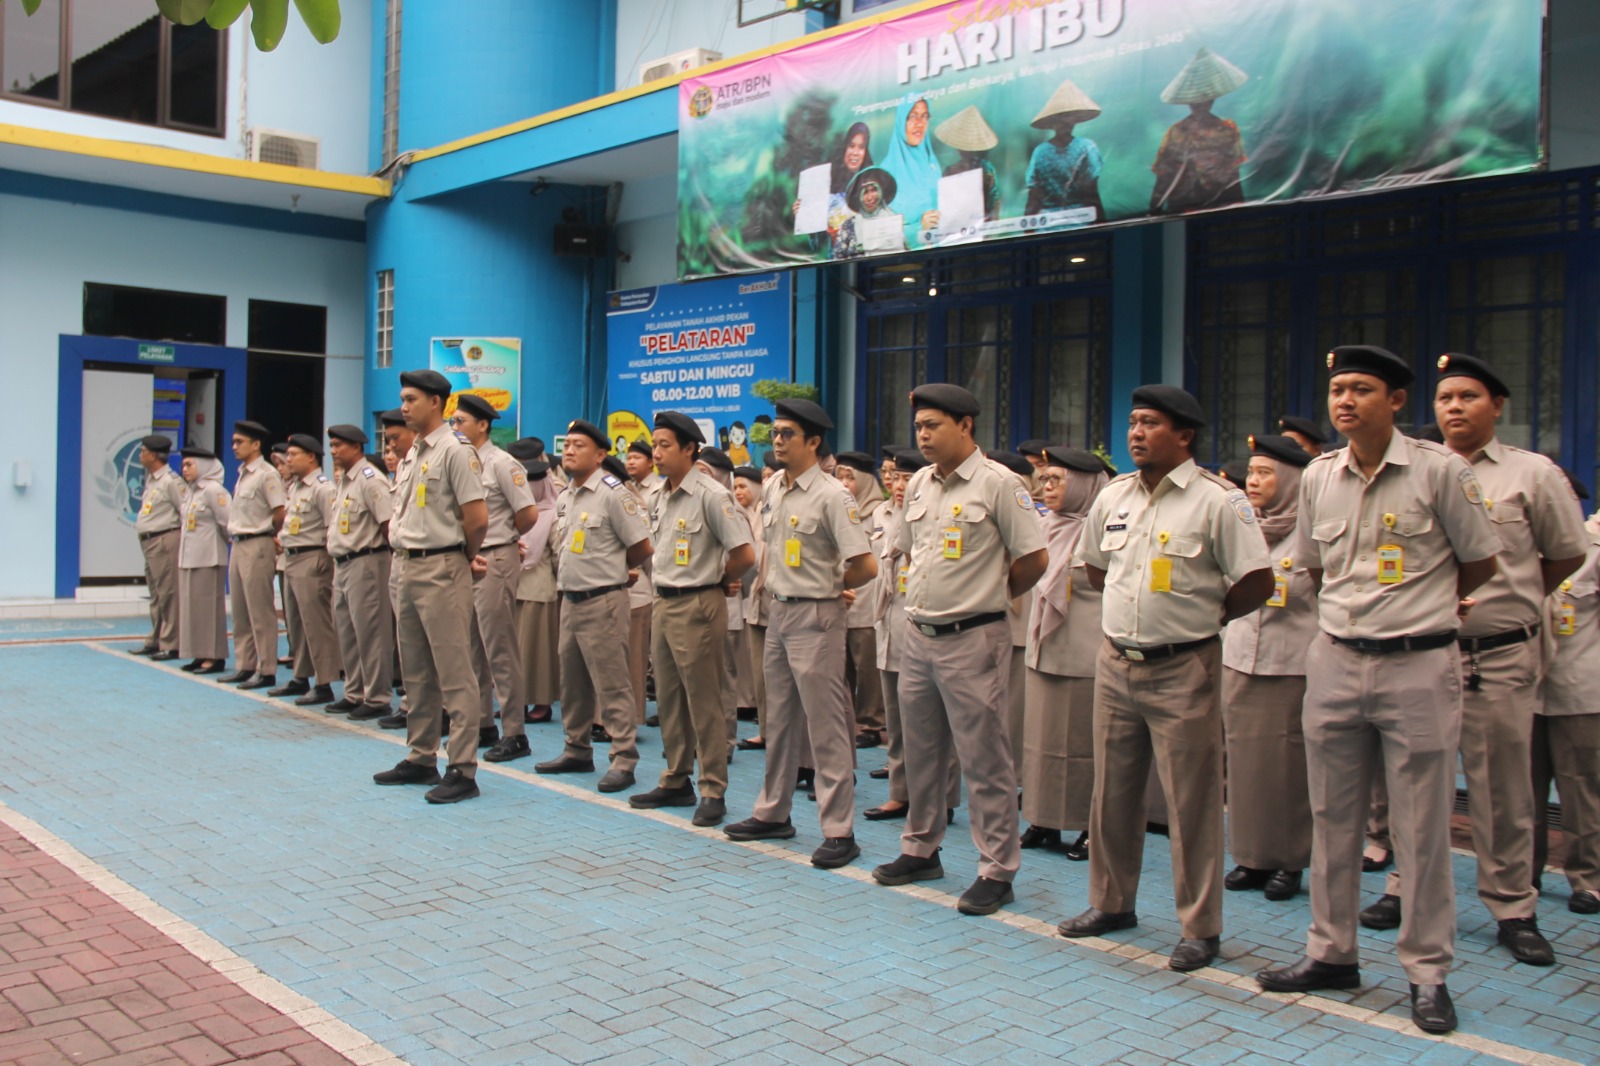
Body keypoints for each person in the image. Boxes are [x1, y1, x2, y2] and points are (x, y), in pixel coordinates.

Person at [1256, 345, 1501, 1036]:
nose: (1345, 400)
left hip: (1416, 664)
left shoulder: (1440, 472)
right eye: (1338, 388)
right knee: (1333, 817)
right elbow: (1312, 565)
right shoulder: (1320, 477)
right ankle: (1331, 953)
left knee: (1420, 827)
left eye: (1361, 389)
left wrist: (1421, 610)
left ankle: (1427, 972)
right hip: (1336, 659)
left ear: (1395, 401)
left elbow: (1480, 562)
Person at [1359, 353, 1586, 964]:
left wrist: (1514, 601)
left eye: (1468, 397)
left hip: (1496, 657)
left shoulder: (1533, 475)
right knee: (1414, 782)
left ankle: (1513, 906)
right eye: (1445, 398)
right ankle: (1405, 887)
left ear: (1497, 406)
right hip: (1418, 654)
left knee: (1501, 790)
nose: (1454, 408)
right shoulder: (1408, 471)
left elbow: (1567, 555)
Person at [1058, 385, 1272, 972]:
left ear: (1184, 435)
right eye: (1133, 422)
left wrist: (1205, 618)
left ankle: (1200, 928)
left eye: (1150, 423)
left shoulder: (1218, 502)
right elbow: (1096, 568)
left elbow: (1257, 581)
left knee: (1191, 803)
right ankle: (1111, 903)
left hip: (1184, 667)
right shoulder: (1114, 496)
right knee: (1112, 794)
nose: (1136, 432)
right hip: (1116, 662)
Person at [870, 384, 1049, 916]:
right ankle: (920, 849)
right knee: (921, 752)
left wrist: (988, 596)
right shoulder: (920, 485)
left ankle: (997, 868)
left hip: (973, 637)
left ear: (966, 426)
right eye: (919, 427)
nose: (923, 436)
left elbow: (1034, 559)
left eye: (933, 426)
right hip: (919, 635)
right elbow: (908, 551)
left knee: (984, 758)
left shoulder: (999, 484)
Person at [724, 399, 876, 868]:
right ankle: (773, 812)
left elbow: (865, 566)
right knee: (779, 719)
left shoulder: (833, 495)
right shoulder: (774, 488)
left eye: (787, 434)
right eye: (776, 433)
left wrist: (830, 587)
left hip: (816, 616)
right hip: (779, 613)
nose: (778, 440)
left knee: (825, 725)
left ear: (813, 442)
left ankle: (839, 830)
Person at [628, 413, 754, 827]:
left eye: (665, 445)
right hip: (664, 602)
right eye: (654, 444)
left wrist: (719, 580)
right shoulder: (660, 496)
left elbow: (744, 554)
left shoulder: (711, 495)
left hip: (699, 602)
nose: (656, 453)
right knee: (668, 698)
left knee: (704, 700)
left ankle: (713, 788)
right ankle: (676, 778)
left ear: (689, 449)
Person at [372, 369, 489, 804]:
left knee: (455, 672)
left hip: (442, 565)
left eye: (411, 399)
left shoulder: (455, 451)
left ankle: (462, 767)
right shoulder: (413, 454)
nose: (404, 407)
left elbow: (477, 519)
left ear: (436, 402)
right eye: (403, 399)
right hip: (406, 566)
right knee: (416, 671)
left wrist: (461, 555)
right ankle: (422, 756)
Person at [1222, 434, 1317, 901]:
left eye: (1266, 473)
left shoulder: (1312, 533)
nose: (1253, 482)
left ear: (1294, 480)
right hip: (1240, 658)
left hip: (1291, 662)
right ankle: (1251, 856)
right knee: (1244, 765)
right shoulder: (1243, 527)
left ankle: (1290, 860)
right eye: (1252, 472)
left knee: (1288, 768)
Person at [535, 421, 653, 792]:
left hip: (603, 599)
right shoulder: (566, 495)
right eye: (567, 444)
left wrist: (617, 570)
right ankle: (577, 748)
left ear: (600, 454)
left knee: (612, 682)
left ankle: (623, 758)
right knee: (572, 682)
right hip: (570, 599)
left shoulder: (613, 494)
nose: (569, 450)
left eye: (579, 445)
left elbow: (641, 546)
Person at [864, 448, 964, 823]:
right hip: (889, 626)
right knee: (897, 721)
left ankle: (944, 798)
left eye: (907, 478)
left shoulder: (935, 515)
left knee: (937, 723)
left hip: (925, 626)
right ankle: (900, 793)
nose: (899, 485)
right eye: (895, 477)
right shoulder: (882, 514)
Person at [1020, 445, 1109, 861]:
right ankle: (1044, 819)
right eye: (1046, 479)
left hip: (1085, 656)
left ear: (1084, 486)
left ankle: (1091, 826)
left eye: (1058, 480)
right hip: (1045, 651)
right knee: (1042, 741)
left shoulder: (1105, 530)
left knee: (1086, 745)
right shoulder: (1043, 526)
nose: (1047, 487)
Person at [451, 394, 539, 757]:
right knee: (472, 645)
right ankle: (483, 723)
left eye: (461, 421)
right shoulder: (460, 461)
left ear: (483, 425)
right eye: (453, 422)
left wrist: (506, 538)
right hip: (468, 558)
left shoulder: (502, 463)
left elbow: (528, 513)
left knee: (499, 647)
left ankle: (515, 732)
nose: (455, 428)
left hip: (495, 556)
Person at [1534, 476, 1600, 914]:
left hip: (1579, 688)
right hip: (1524, 690)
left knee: (1582, 791)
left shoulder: (1594, 551)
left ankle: (1588, 879)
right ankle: (1524, 874)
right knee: (1522, 794)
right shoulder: (1521, 551)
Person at [324, 424, 395, 721]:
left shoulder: (370, 480)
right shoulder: (345, 481)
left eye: (338, 445)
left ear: (356, 447)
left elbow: (387, 525)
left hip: (367, 560)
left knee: (371, 631)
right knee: (348, 630)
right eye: (331, 445)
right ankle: (354, 692)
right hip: (343, 563)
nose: (333, 451)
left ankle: (377, 697)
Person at [274, 434, 342, 706]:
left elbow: (331, 528)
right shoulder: (297, 487)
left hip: (313, 558)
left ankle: (323, 683)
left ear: (311, 457)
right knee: (296, 623)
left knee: (316, 623)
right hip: (292, 558)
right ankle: (300, 675)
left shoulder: (322, 488)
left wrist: (325, 563)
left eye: (293, 455)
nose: (288, 460)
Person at [217, 421, 286, 690]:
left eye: (240, 442)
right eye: (233, 441)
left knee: (260, 610)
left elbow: (279, 512)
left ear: (256, 445)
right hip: (238, 543)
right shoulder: (244, 474)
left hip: (257, 541)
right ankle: (245, 665)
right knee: (240, 610)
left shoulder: (266, 474)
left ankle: (266, 669)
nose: (234, 446)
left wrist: (269, 534)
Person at [505, 440, 561, 738]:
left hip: (540, 591)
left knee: (537, 651)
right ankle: (517, 701)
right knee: (515, 649)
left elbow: (558, 556)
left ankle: (541, 702)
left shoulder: (553, 514)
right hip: (514, 587)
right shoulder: (516, 514)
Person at [1150, 48, 1249, 214]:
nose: (1199, 104)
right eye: (1195, 101)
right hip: (1184, 207)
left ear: (1212, 99)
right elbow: (1165, 176)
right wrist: (1154, 209)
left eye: (1204, 99)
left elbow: (1233, 174)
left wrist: (1240, 208)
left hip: (1222, 206)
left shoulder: (1227, 129)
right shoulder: (1177, 133)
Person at [835, 451, 888, 748]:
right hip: (842, 599)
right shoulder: (840, 509)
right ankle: (848, 720)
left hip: (867, 601)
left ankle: (871, 723)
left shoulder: (878, 512)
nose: (844, 483)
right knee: (842, 668)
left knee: (867, 667)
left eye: (850, 478)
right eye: (840, 477)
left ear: (866, 481)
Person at [377, 409, 416, 731]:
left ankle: (442, 711)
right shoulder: (404, 467)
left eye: (394, 438)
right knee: (408, 642)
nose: (390, 448)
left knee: (436, 648)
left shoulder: (444, 456)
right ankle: (411, 705)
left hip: (430, 561)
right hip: (400, 559)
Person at [176, 446, 230, 674]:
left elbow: (228, 522)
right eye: (183, 465)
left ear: (205, 465)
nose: (184, 469)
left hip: (209, 557)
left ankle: (214, 656)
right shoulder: (191, 492)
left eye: (190, 464)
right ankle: (199, 652)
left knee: (209, 609)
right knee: (193, 609)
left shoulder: (213, 490)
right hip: (190, 557)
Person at [132, 434, 186, 661]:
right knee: (156, 594)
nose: (140, 455)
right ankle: (156, 638)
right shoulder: (153, 480)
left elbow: (185, 511)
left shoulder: (171, 481)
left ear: (153, 455)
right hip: (150, 543)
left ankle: (172, 643)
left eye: (143, 451)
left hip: (164, 540)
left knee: (169, 594)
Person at [623, 438, 662, 729]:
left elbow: (649, 547)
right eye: (628, 457)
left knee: (645, 654)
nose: (631, 462)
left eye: (637, 457)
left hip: (648, 582)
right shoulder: (627, 490)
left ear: (650, 462)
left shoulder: (657, 490)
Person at [1025, 80, 1104, 219]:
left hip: (1054, 223)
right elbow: (1091, 193)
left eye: (1067, 118)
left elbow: (1034, 197)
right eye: (1060, 119)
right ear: (1051, 123)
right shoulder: (1087, 147)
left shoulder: (1086, 147)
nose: (1064, 123)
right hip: (1079, 220)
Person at [733, 466, 770, 750]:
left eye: (744, 486)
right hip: (753, 600)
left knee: (774, 674)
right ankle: (766, 730)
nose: (738, 492)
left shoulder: (764, 513)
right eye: (735, 487)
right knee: (760, 672)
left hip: (773, 600)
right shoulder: (741, 514)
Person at [878, 97, 942, 248]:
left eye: (924, 116)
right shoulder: (885, 173)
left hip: (944, 255)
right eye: (913, 116)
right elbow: (881, 234)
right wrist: (919, 228)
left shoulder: (932, 163)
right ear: (901, 121)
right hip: (907, 259)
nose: (919, 123)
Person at [934, 104, 1000, 221]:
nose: (964, 151)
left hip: (983, 224)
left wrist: (993, 223)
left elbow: (994, 199)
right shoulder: (950, 171)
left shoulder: (986, 168)